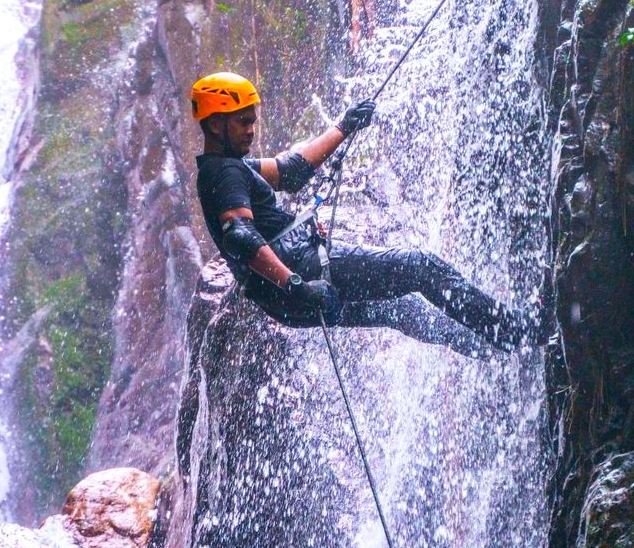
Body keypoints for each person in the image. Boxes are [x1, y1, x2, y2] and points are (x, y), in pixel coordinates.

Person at [190, 71, 541, 354]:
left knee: (401, 310)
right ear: (215, 125)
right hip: (302, 273)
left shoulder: (226, 168)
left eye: (252, 121)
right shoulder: (224, 172)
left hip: (281, 298)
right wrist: (297, 285)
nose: (251, 130)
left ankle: (488, 349)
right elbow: (240, 236)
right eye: (242, 122)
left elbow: (292, 171)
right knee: (419, 266)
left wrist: (343, 127)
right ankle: (513, 331)